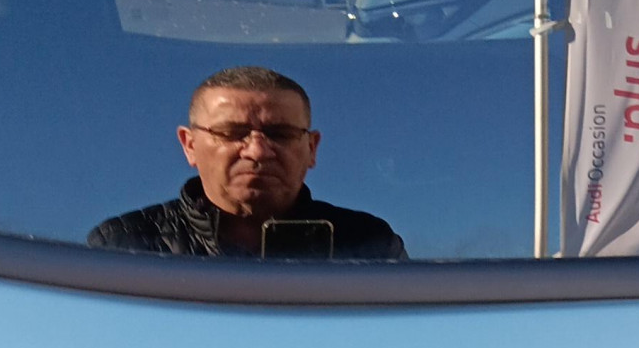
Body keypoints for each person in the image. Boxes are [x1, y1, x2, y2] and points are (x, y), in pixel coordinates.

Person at [88, 66, 407, 260]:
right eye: (231, 133)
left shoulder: (368, 246)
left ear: (312, 148)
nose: (257, 151)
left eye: (280, 134)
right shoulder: (124, 246)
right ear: (190, 145)